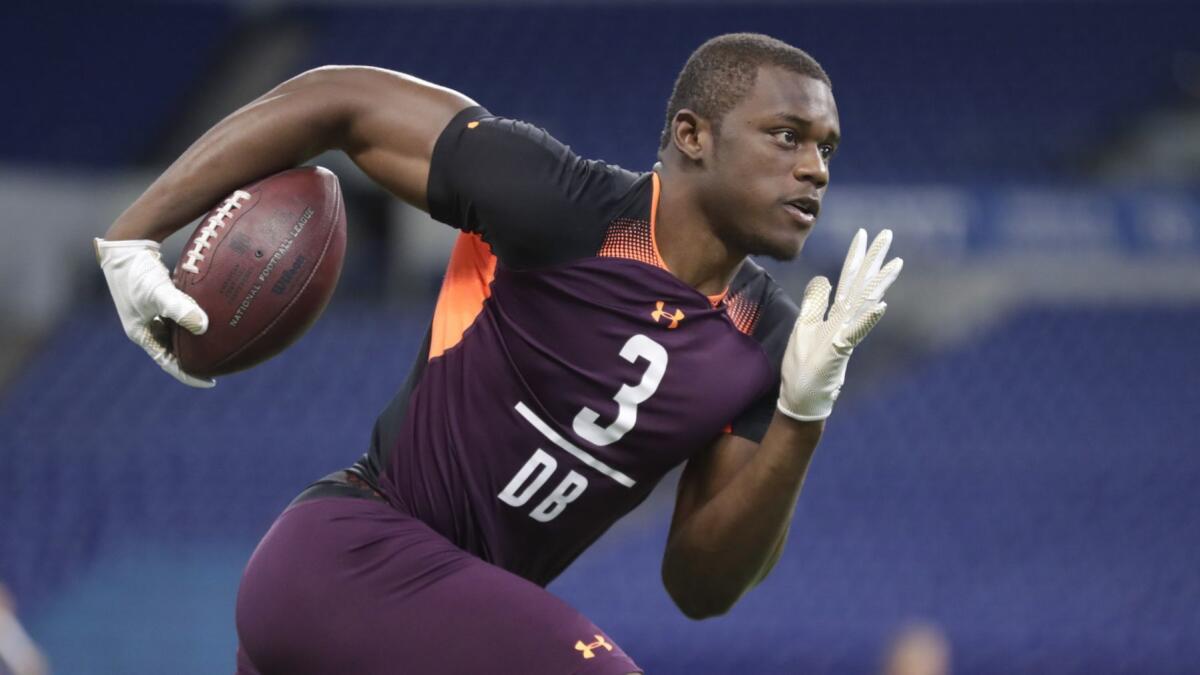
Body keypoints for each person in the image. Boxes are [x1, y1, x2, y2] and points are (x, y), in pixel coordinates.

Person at [95, 32, 902, 674]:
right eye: (788, 136)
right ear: (691, 135)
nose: (813, 169)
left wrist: (803, 413)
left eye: (827, 148)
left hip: (426, 635)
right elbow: (339, 100)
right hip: (345, 560)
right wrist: (133, 233)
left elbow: (699, 586)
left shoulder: (772, 344)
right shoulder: (561, 205)